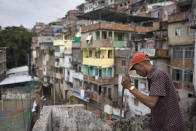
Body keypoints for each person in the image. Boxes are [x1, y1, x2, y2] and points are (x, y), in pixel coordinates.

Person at [121, 52, 185, 131]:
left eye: (135, 69)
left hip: (170, 126)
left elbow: (152, 102)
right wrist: (155, 113)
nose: (136, 72)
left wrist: (130, 87)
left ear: (141, 65)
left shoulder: (157, 75)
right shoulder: (155, 74)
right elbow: (164, 100)